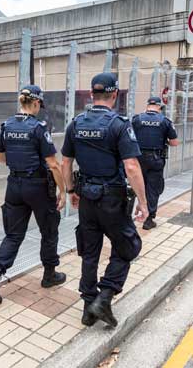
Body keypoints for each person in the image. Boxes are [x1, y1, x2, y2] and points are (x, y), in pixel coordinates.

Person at [61, 72, 148, 327]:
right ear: (114, 95)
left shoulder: (76, 124)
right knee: (128, 246)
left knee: (90, 252)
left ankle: (89, 306)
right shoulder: (119, 124)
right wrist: (143, 202)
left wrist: (70, 191)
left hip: (86, 197)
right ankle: (105, 296)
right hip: (112, 199)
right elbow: (131, 166)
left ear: (91, 94)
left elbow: (66, 162)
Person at [0, 85, 66, 305]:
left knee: (14, 235)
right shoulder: (38, 128)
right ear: (35, 103)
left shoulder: (6, 125)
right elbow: (53, 165)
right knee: (49, 230)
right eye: (39, 106)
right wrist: (63, 191)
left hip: (14, 185)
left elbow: (0, 157)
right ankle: (49, 276)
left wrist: (19, 163)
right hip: (37, 187)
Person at [132, 97, 179, 230]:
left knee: (134, 186)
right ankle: (148, 220)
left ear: (148, 106)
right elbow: (174, 142)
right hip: (155, 159)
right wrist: (164, 142)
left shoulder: (136, 119)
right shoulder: (165, 121)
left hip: (137, 158)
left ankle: (126, 216)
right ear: (159, 107)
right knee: (153, 189)